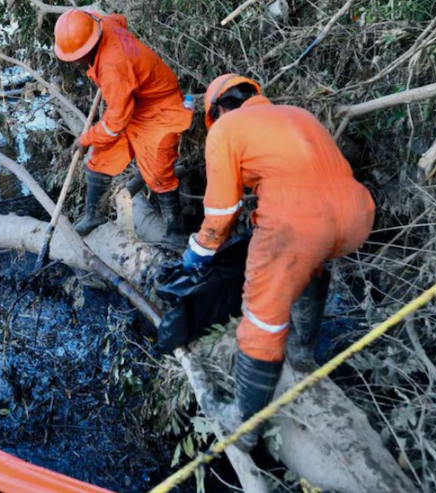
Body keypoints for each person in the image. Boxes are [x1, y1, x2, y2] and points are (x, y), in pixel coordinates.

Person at [182, 74, 375, 451]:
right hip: (357, 215)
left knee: (261, 321)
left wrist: (199, 252)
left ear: (218, 109)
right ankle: (302, 356)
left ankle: (245, 427)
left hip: (297, 223)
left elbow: (222, 211)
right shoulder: (297, 114)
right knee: (310, 267)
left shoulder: (225, 130)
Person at [53, 9, 192, 238]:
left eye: (77, 58)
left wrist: (85, 139)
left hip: (159, 109)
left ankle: (175, 232)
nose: (76, 63)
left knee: (159, 174)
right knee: (101, 159)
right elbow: (121, 20)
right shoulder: (101, 22)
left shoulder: (113, 67)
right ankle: (94, 216)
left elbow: (115, 123)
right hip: (133, 101)